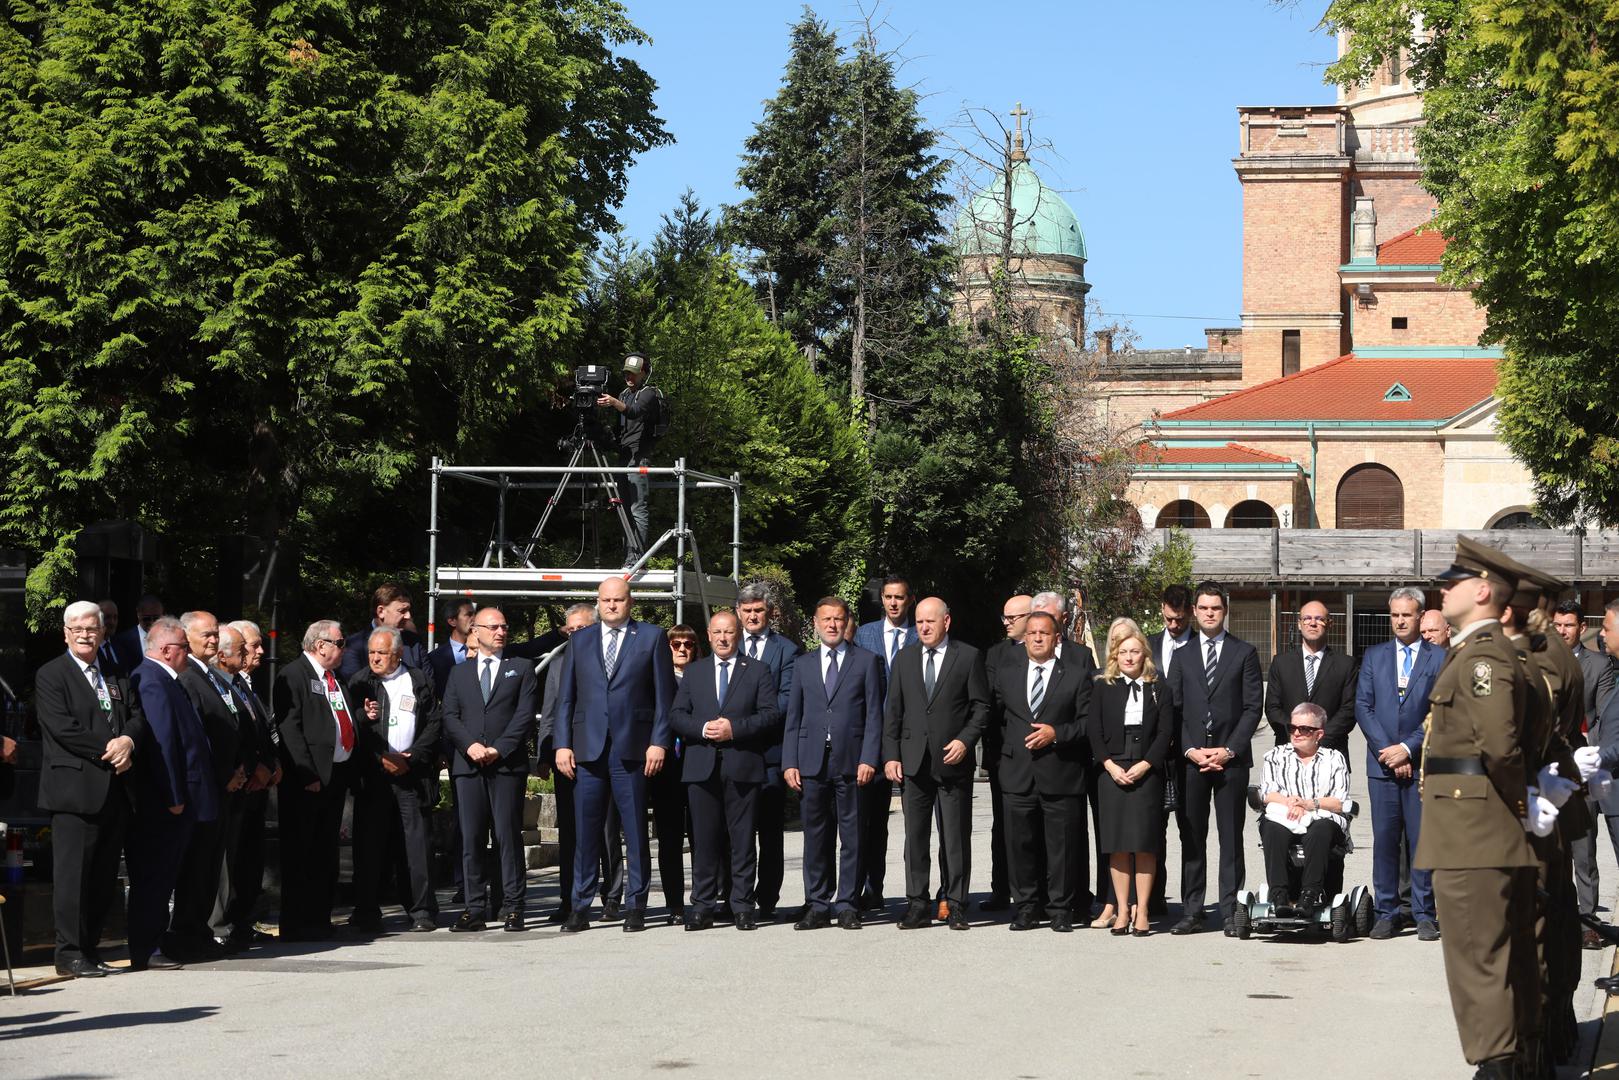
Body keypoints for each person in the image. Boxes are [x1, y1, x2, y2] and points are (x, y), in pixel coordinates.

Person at [1420, 538, 1542, 1080]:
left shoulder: (1485, 658)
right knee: (1489, 955)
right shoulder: (1472, 652)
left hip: (1474, 828)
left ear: (1484, 590)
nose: (1444, 588)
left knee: (1477, 959)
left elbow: (1500, 747)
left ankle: (1495, 1067)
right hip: (1472, 825)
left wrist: (1517, 806)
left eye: (1454, 581)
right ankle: (1505, 1061)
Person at [555, 577, 676, 933]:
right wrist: (563, 744)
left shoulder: (652, 638)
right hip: (588, 750)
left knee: (636, 830)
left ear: (630, 602)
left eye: (618, 600)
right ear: (598, 602)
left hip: (634, 749)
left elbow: (663, 698)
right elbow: (566, 697)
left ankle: (636, 905)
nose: (611, 606)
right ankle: (580, 905)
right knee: (585, 831)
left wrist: (659, 742)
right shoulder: (580, 640)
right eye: (606, 600)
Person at [35, 600, 141, 977]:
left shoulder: (116, 673)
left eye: (91, 628)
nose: (85, 634)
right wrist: (110, 751)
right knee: (73, 879)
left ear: (102, 632)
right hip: (74, 793)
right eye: (77, 628)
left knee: (101, 878)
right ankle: (68, 952)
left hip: (115, 790)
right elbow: (63, 729)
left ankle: (91, 948)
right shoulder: (52, 675)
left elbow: (136, 715)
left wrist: (128, 740)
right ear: (65, 633)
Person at [669, 610, 782, 931]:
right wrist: (703, 728)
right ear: (708, 634)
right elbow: (676, 715)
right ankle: (703, 906)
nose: (722, 638)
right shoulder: (695, 672)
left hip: (743, 765)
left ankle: (743, 906)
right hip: (701, 766)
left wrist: (736, 729)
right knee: (703, 841)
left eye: (729, 632)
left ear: (738, 634)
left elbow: (771, 715)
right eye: (717, 632)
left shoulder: (758, 670)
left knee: (743, 840)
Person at [883, 597, 990, 931]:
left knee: (955, 838)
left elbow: (981, 707)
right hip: (914, 762)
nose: (924, 628)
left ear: (946, 622)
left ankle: (956, 903)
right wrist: (891, 755)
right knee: (915, 838)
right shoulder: (904, 658)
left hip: (952, 760)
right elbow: (893, 712)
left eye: (930, 621)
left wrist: (965, 740)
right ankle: (917, 903)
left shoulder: (968, 656)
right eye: (919, 622)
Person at [1168, 580, 1262, 936]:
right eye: (1204, 608)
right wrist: (1191, 749)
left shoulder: (1244, 653)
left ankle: (1231, 909)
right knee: (1192, 836)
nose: (1209, 613)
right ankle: (1192, 909)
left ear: (1225, 611)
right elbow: (1174, 708)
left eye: (1216, 608)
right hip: (1191, 761)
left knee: (1230, 837)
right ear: (1195, 611)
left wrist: (1228, 749)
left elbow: (1253, 707)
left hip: (1231, 761)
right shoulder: (1183, 655)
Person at [783, 596, 883, 929]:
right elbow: (793, 717)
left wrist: (870, 757)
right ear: (815, 622)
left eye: (838, 619)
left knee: (852, 836)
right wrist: (790, 762)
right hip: (811, 762)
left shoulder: (867, 661)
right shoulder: (803, 664)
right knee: (815, 836)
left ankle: (848, 904)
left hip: (853, 762)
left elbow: (874, 716)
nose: (832, 624)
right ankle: (817, 903)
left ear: (846, 622)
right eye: (826, 619)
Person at [989, 610, 1090, 932]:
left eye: (1043, 633)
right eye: (1031, 633)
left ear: (1056, 638)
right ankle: (1026, 907)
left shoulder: (1074, 675)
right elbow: (994, 719)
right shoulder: (1007, 673)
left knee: (1061, 847)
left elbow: (1088, 723)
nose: (1036, 638)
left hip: (1060, 773)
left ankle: (1060, 908)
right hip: (1017, 773)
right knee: (1020, 845)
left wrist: (1057, 733)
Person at [126, 617, 218, 970]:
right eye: (183, 646)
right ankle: (146, 948)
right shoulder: (152, 680)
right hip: (165, 803)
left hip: (182, 798)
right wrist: (173, 795)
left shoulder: (167, 679)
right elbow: (163, 743)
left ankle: (154, 944)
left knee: (166, 876)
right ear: (166, 650)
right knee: (155, 877)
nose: (188, 652)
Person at [442, 607, 538, 932]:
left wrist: (500, 747)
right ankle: (474, 908)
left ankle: (513, 906)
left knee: (507, 836)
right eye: (493, 627)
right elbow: (450, 717)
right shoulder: (459, 673)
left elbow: (524, 715)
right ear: (476, 631)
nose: (500, 632)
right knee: (470, 838)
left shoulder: (522, 668)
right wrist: (470, 746)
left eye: (504, 626)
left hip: (505, 765)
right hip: (468, 766)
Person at [1356, 586, 1443, 941]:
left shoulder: (1439, 659)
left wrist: (1408, 749)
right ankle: (1386, 911)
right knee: (1386, 840)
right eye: (1395, 615)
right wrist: (1389, 752)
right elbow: (1364, 706)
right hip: (1382, 767)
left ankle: (1423, 912)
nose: (1400, 621)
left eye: (1407, 615)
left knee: (1422, 840)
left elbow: (1442, 711)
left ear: (1421, 616)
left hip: (1422, 765)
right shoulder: (1374, 656)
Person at [348, 627, 441, 933]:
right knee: (369, 847)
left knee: (416, 846)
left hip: (410, 775)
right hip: (374, 778)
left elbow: (433, 723)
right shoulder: (360, 682)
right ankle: (365, 912)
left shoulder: (418, 680)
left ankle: (421, 910)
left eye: (382, 653)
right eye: (372, 652)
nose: (375, 658)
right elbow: (354, 729)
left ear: (398, 654)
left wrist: (412, 756)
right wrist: (381, 758)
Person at [171, 613, 250, 960]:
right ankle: (188, 932)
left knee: (210, 865)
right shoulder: (188, 676)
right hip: (207, 785)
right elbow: (198, 736)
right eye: (206, 635)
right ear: (186, 637)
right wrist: (224, 774)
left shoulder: (212, 676)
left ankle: (199, 930)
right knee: (197, 865)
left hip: (225, 784)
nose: (214, 640)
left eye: (216, 635)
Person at [274, 619, 358, 941]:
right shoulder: (293, 675)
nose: (344, 648)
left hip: (335, 777)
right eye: (340, 642)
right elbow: (290, 728)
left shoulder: (335, 679)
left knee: (325, 852)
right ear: (320, 645)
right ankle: (296, 924)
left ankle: (319, 919)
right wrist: (306, 771)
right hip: (306, 780)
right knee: (301, 852)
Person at [1089, 618, 1170, 937]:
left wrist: (1147, 764)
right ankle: (1121, 910)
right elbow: (1093, 730)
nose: (1129, 657)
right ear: (1115, 656)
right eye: (1123, 652)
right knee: (1117, 845)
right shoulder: (1102, 686)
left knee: (1144, 845)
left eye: (1135, 651)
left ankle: (1143, 911)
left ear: (1144, 654)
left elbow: (1165, 732)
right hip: (1112, 771)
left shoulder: (1159, 687)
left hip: (1146, 771)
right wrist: (1109, 765)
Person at [734, 584, 798, 919]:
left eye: (758, 610)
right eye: (747, 611)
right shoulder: (727, 644)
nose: (753, 616)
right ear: (739, 613)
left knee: (769, 831)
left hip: (770, 752)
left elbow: (788, 698)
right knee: (735, 829)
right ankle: (736, 895)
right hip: (733, 752)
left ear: (769, 612)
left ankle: (768, 897)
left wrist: (749, 721)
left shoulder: (786, 650)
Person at [853, 574, 916, 913]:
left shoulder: (921, 634)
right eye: (888, 597)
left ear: (909, 600)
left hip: (912, 738)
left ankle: (916, 892)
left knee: (916, 824)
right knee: (871, 822)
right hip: (874, 740)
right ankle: (871, 888)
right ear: (882, 600)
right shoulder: (865, 634)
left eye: (900, 597)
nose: (893, 603)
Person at [1553, 598, 1614, 942]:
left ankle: (1588, 920)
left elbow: (1603, 715)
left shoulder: (1599, 664)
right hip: (1546, 767)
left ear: (1580, 628)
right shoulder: (1539, 662)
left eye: (1568, 625)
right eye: (1557, 625)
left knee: (1583, 845)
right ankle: (1556, 915)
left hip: (1582, 765)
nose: (1562, 631)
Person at [1256, 703, 1350, 916]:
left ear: (1319, 734)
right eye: (1292, 728)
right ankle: (1279, 895)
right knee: (1272, 829)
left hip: (1323, 817)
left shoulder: (1334, 759)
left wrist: (1308, 804)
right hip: (1285, 814)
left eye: (1304, 729)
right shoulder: (1276, 756)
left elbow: (1339, 802)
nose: (1296, 733)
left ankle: (1309, 896)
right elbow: (1267, 793)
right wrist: (1292, 802)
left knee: (1320, 830)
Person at [535, 603, 598, 924]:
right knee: (570, 832)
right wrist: (546, 755)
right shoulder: (558, 664)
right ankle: (568, 899)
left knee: (605, 832)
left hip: (601, 757)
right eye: (569, 630)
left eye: (581, 629)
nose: (574, 635)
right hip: (566, 759)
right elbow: (549, 714)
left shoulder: (606, 660)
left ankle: (611, 897)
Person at [220, 619, 280, 948]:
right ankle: (228, 923)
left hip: (256, 787)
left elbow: (262, 731)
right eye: (252, 646)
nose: (259, 651)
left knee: (250, 861)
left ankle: (243, 920)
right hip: (239, 784)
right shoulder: (227, 684)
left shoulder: (247, 686)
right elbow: (235, 733)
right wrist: (252, 766)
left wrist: (272, 765)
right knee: (233, 860)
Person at [1140, 584, 1192, 919]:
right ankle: (1154, 899)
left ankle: (1191, 901)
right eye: (1169, 619)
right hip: (1153, 752)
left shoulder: (1201, 647)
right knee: (1152, 827)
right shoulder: (1148, 647)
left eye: (1180, 619)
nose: (1174, 626)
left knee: (1189, 829)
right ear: (1162, 609)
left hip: (1188, 751)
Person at [981, 593, 1034, 912]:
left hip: (1043, 751)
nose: (1006, 624)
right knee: (1002, 822)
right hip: (1004, 751)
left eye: (1012, 618)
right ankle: (1001, 888)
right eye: (1004, 618)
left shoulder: (1048, 650)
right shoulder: (996, 654)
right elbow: (988, 701)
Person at [1265, 601, 1358, 760]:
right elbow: (1273, 708)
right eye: (1307, 618)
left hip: (1330, 754)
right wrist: (1298, 737)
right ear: (1299, 624)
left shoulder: (1346, 665)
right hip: (1288, 753)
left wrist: (1318, 739)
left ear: (1329, 624)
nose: (1313, 623)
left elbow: (1349, 710)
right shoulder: (1281, 663)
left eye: (1319, 619)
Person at [596, 351, 663, 563]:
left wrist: (614, 403)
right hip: (624, 457)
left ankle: (636, 560)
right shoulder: (624, 394)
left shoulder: (649, 393)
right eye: (626, 373)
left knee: (637, 508)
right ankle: (629, 556)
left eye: (633, 374)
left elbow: (634, 411)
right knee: (624, 507)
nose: (629, 377)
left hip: (639, 457)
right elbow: (620, 429)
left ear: (644, 373)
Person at [340, 583, 427, 681]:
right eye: (402, 611)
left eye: (408, 610)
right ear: (381, 612)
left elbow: (427, 683)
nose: (408, 616)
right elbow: (354, 686)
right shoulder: (354, 646)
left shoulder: (414, 643)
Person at [426, 597, 477, 700]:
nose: (474, 619)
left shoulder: (485, 651)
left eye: (474, 614)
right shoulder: (435, 658)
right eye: (469, 614)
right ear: (452, 621)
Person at [110, 593, 163, 673]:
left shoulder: (169, 639)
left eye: (156, 618)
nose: (152, 622)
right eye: (147, 619)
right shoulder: (122, 641)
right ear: (138, 614)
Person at [95, 599, 123, 672]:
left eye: (115, 617)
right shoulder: (90, 648)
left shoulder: (122, 646)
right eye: (107, 617)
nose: (112, 622)